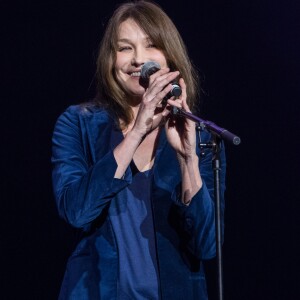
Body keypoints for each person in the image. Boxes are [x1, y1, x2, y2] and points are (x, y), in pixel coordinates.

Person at [51, 1, 226, 299]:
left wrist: (187, 160)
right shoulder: (78, 123)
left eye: (151, 46)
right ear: (110, 60)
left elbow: (207, 246)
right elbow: (76, 211)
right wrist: (135, 133)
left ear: (170, 59)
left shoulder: (199, 136)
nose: (139, 60)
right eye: (125, 48)